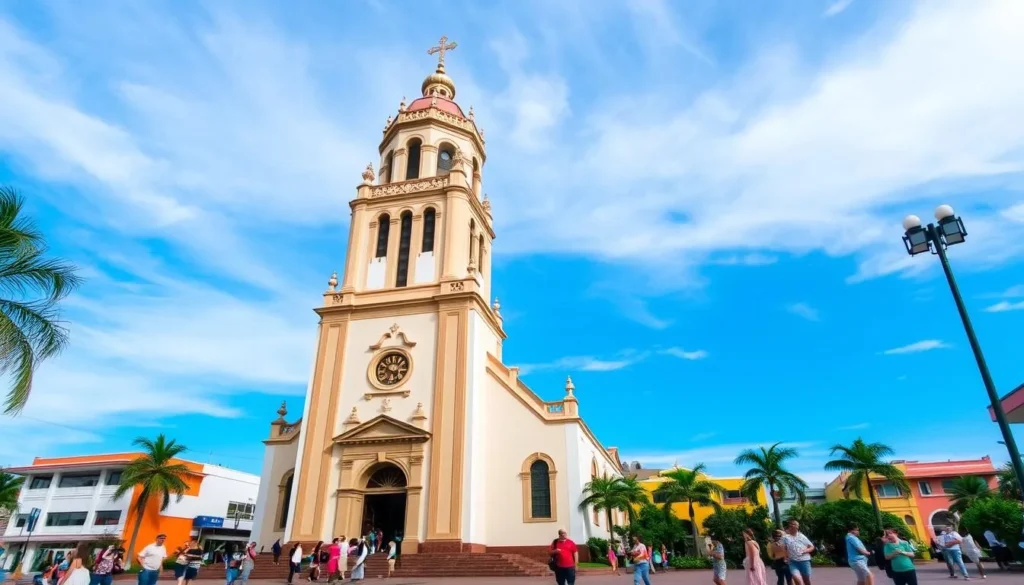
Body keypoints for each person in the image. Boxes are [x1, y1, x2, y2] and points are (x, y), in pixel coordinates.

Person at [782, 520, 814, 585]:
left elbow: (812, 547)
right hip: (793, 562)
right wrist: (785, 558)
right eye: (790, 525)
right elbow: (784, 549)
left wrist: (805, 551)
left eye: (794, 525)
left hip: (804, 561)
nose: (792, 526)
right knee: (796, 578)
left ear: (797, 527)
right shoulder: (785, 538)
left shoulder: (802, 536)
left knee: (806, 580)